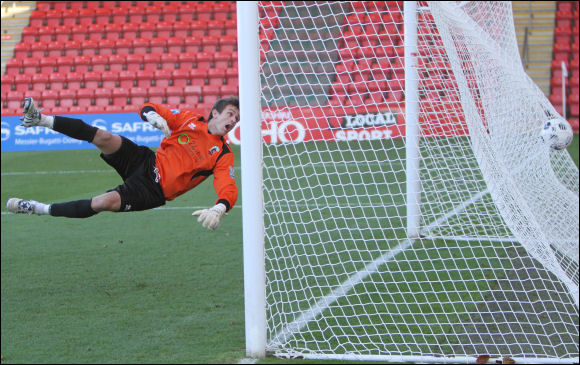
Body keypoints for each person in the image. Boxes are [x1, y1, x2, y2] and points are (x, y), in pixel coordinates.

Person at [6, 96, 240, 230]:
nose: (233, 120)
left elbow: (227, 186)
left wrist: (219, 208)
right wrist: (151, 115)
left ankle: (37, 208)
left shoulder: (222, 153)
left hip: (152, 190)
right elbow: (151, 107)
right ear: (215, 113)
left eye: (236, 119)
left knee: (102, 202)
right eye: (230, 113)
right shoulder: (190, 119)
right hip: (147, 161)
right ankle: (40, 119)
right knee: (103, 137)